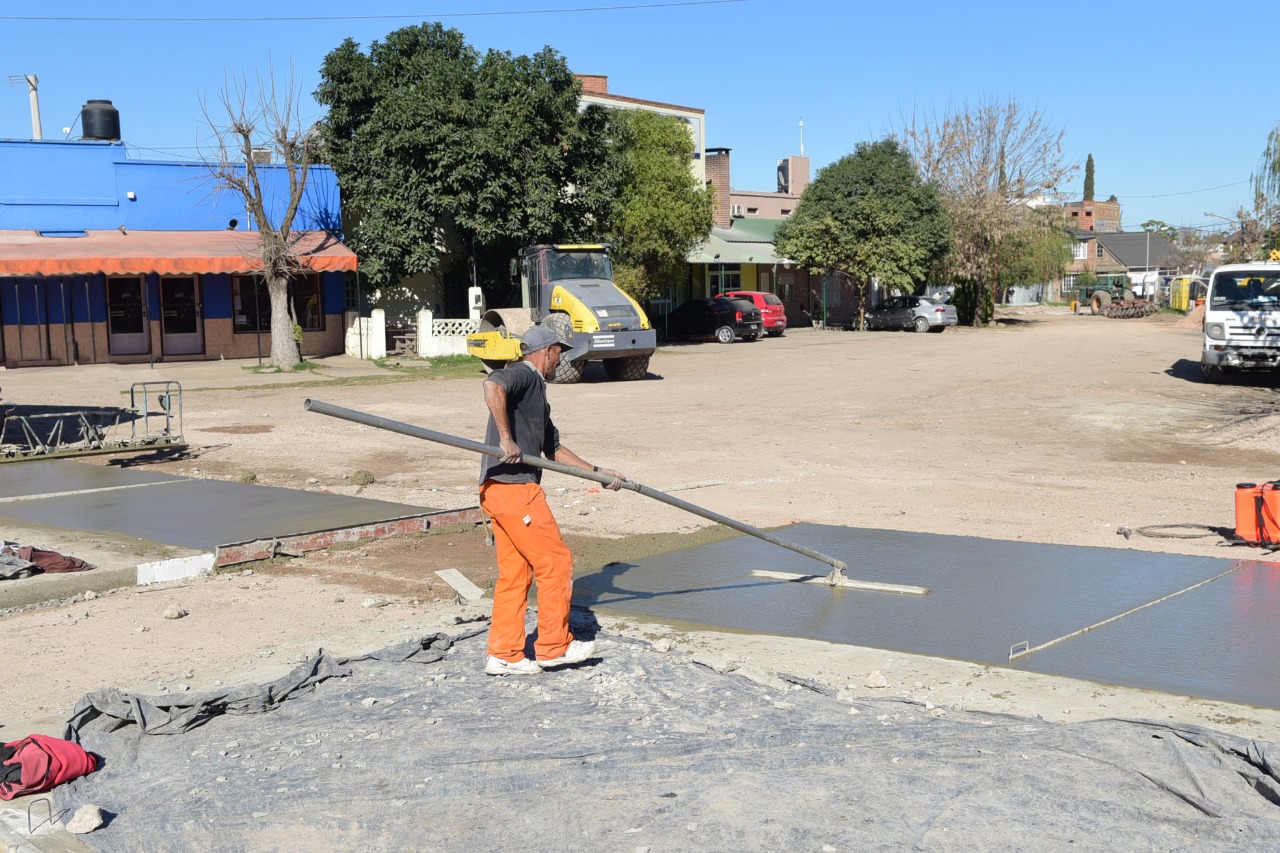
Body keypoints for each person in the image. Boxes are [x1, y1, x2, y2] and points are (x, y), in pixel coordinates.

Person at [479, 324, 623, 675]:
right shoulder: (524, 375)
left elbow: (552, 449)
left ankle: (504, 654)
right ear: (547, 351)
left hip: (496, 488)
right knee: (555, 563)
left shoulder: (536, 396)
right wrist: (506, 438)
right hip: (515, 488)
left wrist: (598, 474)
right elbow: (491, 384)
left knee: (516, 573)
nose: (561, 359)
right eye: (560, 352)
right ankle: (553, 647)